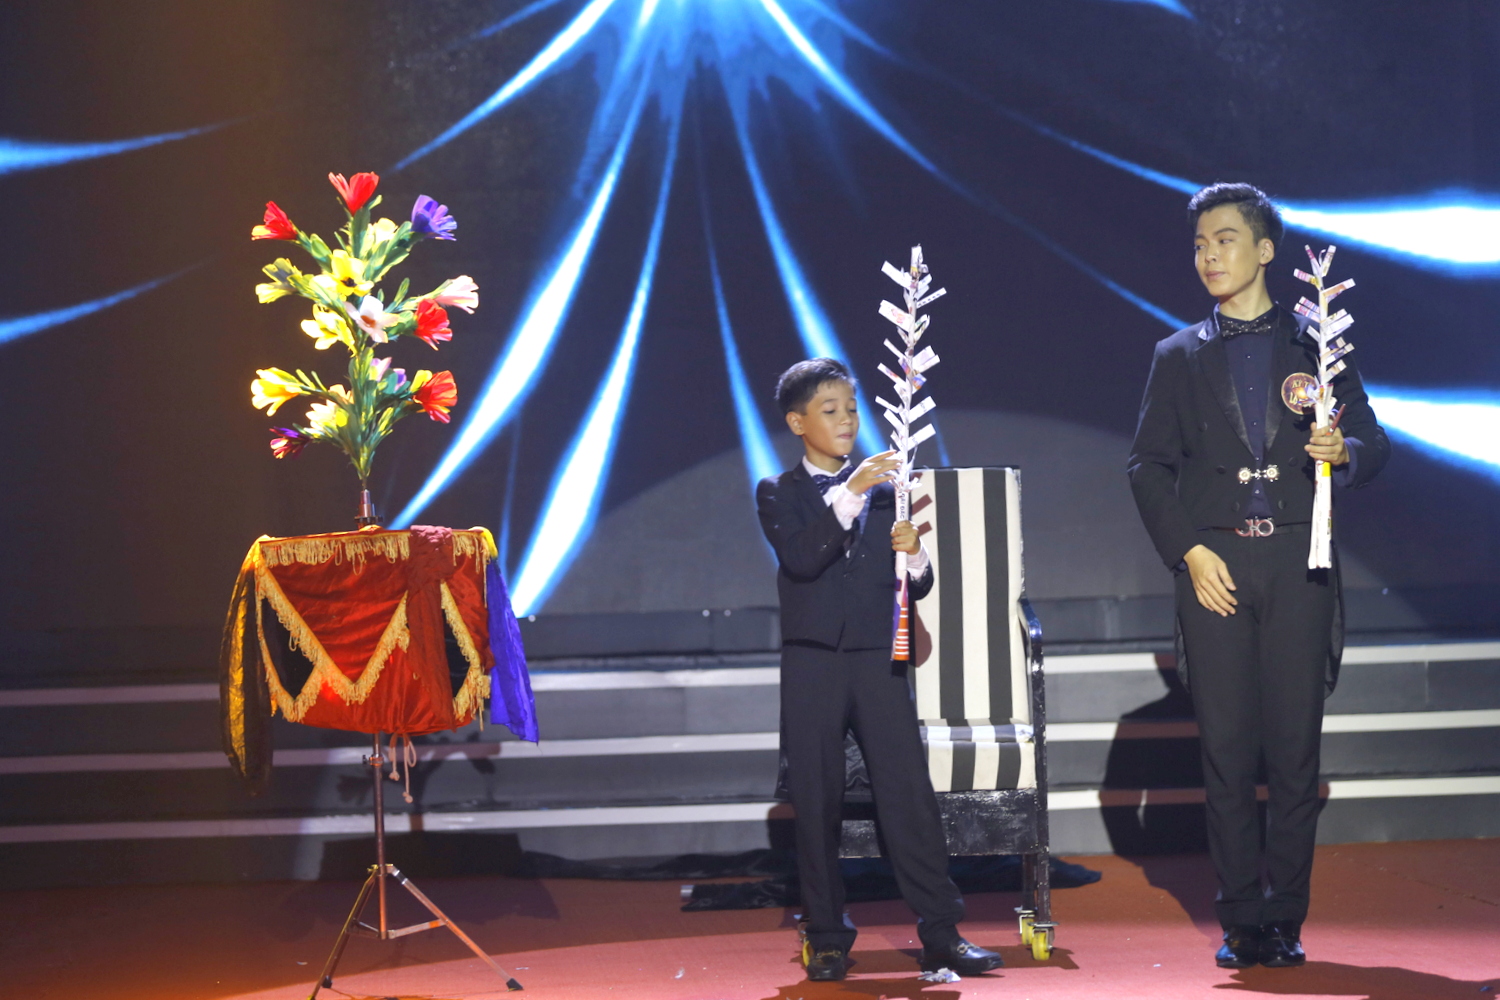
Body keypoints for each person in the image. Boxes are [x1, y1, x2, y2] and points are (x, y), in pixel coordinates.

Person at [1128, 184, 1390, 969]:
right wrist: (1188, 552)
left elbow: (1372, 442)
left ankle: (1287, 916)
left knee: (1295, 752)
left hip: (1299, 561)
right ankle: (1241, 916)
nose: (1209, 255)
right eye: (1200, 244)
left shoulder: (1318, 344)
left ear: (1266, 249)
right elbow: (1146, 467)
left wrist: (1344, 452)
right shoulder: (1178, 356)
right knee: (1228, 753)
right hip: (1216, 565)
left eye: (1226, 239)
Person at [756, 358, 1003, 982]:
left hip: (877, 659)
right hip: (812, 662)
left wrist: (916, 556)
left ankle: (942, 934)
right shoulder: (778, 492)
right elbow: (802, 558)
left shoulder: (890, 492)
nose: (846, 420)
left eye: (851, 408)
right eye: (830, 410)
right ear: (797, 422)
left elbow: (918, 584)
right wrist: (853, 492)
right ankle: (828, 938)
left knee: (907, 796)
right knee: (817, 801)